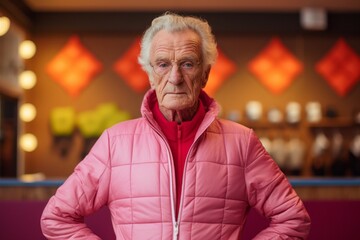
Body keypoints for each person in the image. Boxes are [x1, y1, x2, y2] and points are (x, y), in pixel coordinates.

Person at [41, 12, 311, 239]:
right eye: (162, 64)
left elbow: (293, 219)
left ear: (205, 74)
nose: (175, 77)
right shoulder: (115, 142)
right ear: (149, 74)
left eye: (187, 64)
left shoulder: (241, 142)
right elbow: (57, 216)